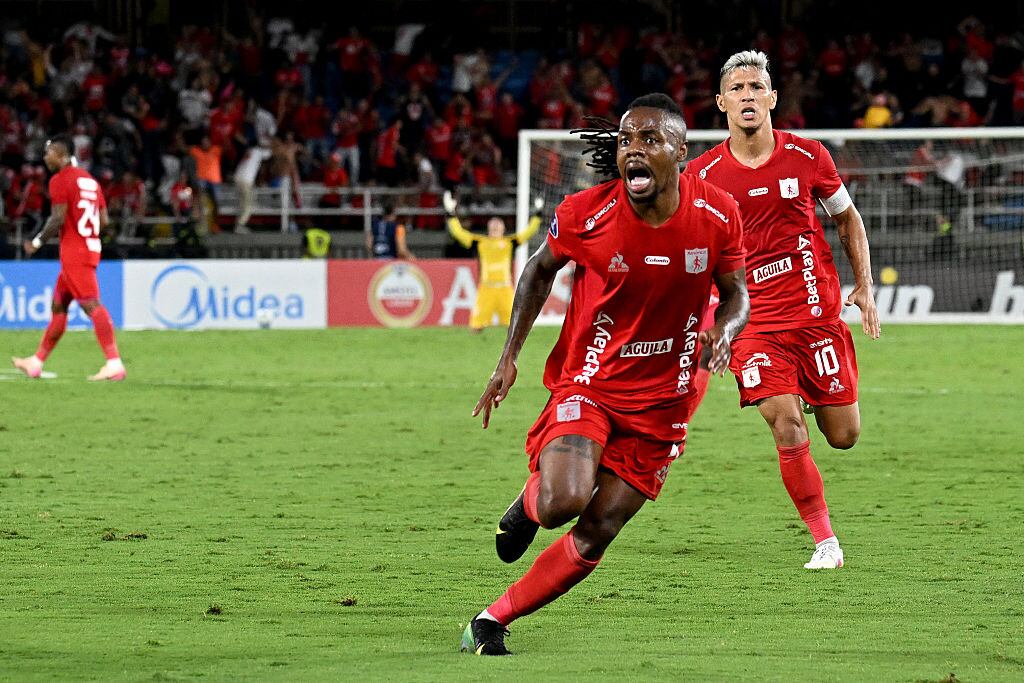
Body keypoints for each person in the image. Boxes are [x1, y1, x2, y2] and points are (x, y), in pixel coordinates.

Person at [459, 94, 749, 656]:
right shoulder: (586, 213)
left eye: (649, 140)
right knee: (563, 501)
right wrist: (508, 357)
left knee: (599, 530)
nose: (633, 150)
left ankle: (491, 620)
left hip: (666, 400)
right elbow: (537, 270)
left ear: (681, 152)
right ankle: (530, 503)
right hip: (591, 381)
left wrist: (727, 330)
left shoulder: (717, 214)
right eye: (625, 141)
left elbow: (736, 292)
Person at [686, 50, 880, 570]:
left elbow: (848, 220)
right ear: (721, 102)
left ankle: (811, 395)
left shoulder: (809, 156)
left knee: (844, 436)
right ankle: (826, 541)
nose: (747, 96)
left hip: (815, 314)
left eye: (756, 87)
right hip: (751, 324)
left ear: (772, 98)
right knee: (786, 425)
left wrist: (863, 285)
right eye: (737, 88)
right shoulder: (701, 175)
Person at [12, 134, 126, 382]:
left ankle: (114, 363)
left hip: (75, 253)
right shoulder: (90, 181)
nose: (45, 158)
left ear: (62, 154)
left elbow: (57, 218)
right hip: (89, 248)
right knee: (59, 306)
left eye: (49, 153)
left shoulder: (60, 180)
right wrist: (87, 235)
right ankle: (36, 362)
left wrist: (37, 242)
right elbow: (104, 220)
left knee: (91, 305)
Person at [443, 191, 543, 332]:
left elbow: (529, 232)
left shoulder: (510, 242)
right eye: (493, 224)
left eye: (498, 224)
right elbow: (458, 232)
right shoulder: (479, 242)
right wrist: (450, 213)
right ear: (488, 228)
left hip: (505, 289)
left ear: (503, 228)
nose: (495, 226)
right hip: (486, 289)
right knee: (476, 327)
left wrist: (538, 213)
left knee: (515, 326)